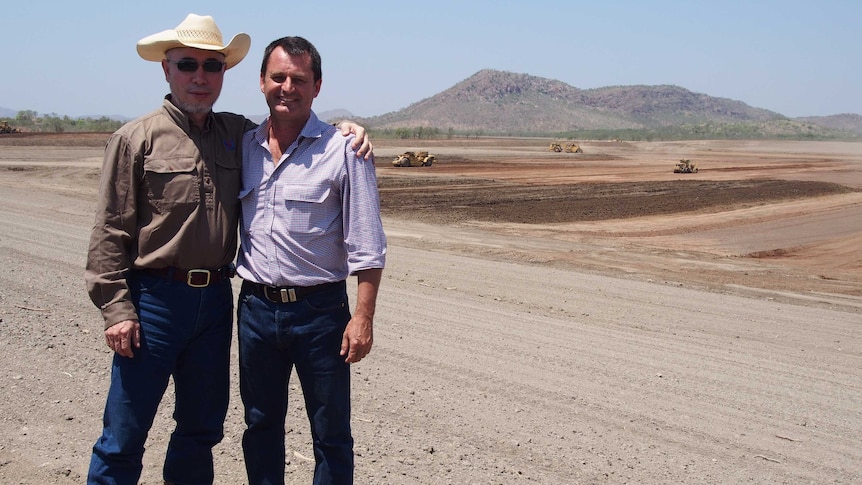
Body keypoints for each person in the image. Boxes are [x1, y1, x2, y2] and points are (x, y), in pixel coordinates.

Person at [84, 14, 371, 485]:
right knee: (124, 434)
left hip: (216, 304)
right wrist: (117, 309)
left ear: (225, 74)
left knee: (200, 429)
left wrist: (346, 127)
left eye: (212, 66)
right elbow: (109, 231)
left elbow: (294, 124)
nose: (200, 76)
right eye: (187, 64)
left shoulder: (237, 134)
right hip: (154, 303)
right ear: (166, 69)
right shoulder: (135, 139)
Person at [235, 36, 386, 485]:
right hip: (256, 310)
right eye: (278, 77)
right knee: (260, 424)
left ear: (317, 86)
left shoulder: (345, 150)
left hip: (321, 313)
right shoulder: (240, 147)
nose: (287, 87)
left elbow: (368, 243)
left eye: (299, 79)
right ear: (261, 81)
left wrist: (363, 316)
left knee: (331, 432)